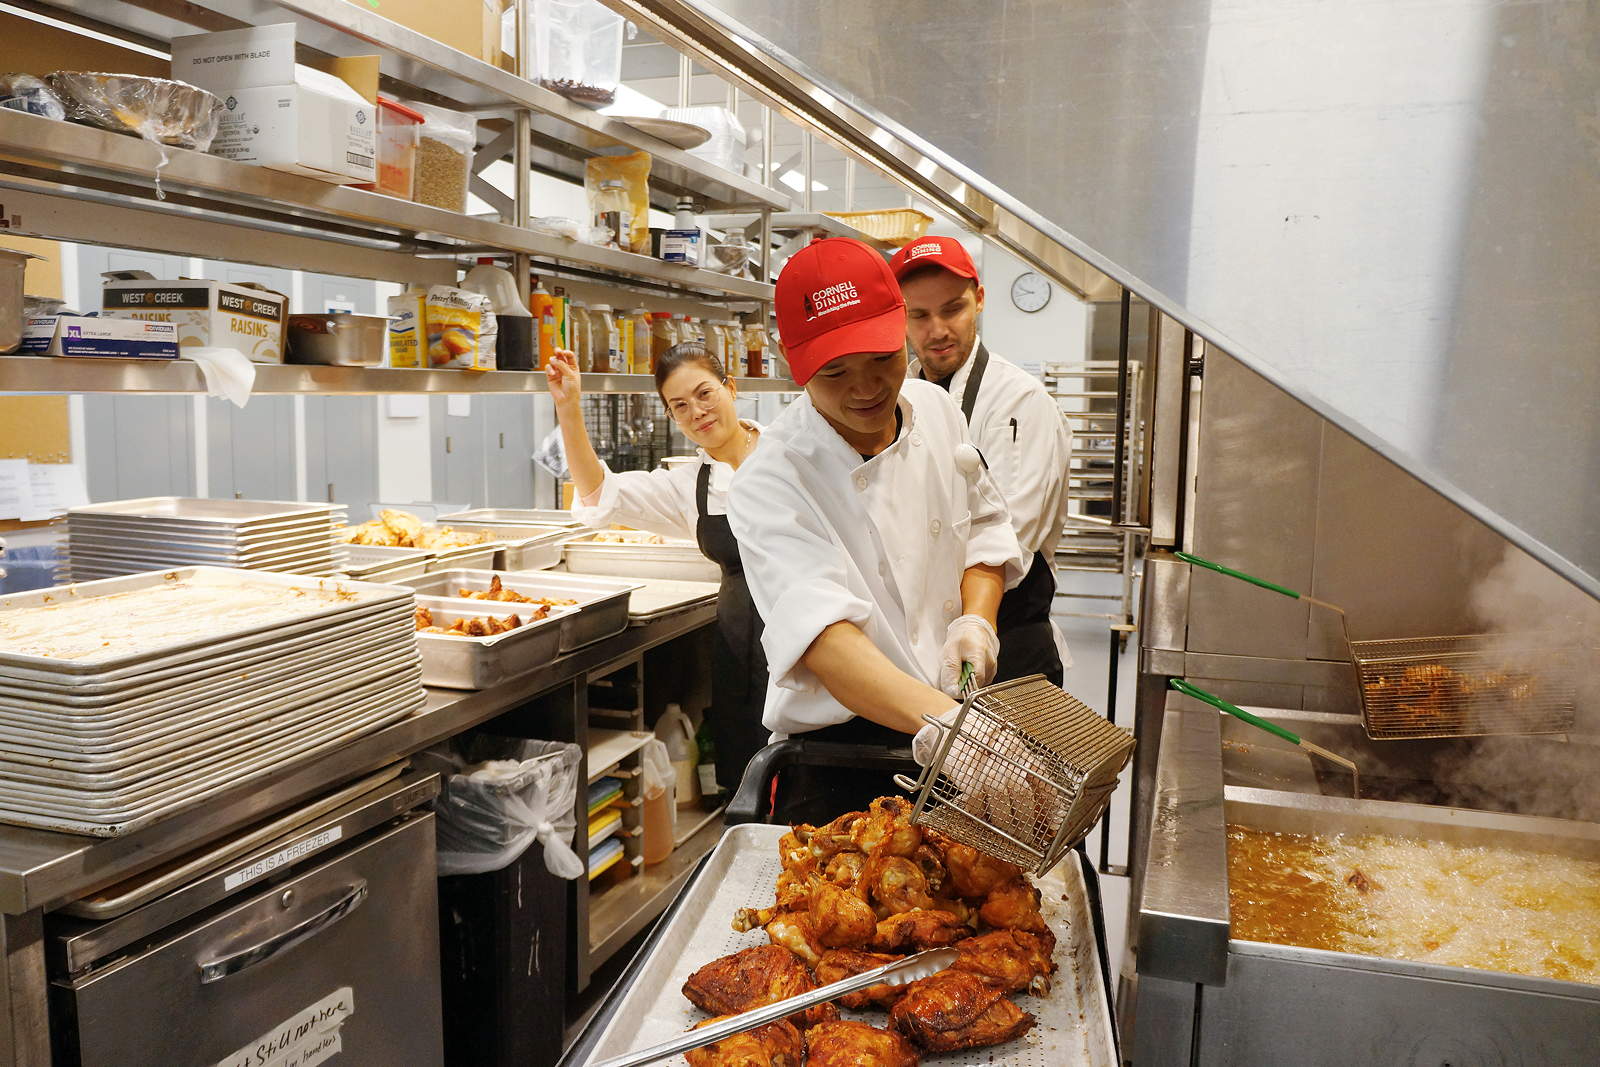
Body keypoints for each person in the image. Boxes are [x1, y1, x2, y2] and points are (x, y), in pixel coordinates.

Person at [727, 236, 1031, 819]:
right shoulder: (772, 478)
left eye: (883, 359)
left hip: (952, 723)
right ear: (797, 368)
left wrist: (975, 622)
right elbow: (823, 639)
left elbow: (986, 530)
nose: (866, 389)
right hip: (839, 758)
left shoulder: (936, 410)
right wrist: (950, 730)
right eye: (835, 371)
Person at [547, 343, 768, 794]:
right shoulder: (691, 485)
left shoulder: (790, 453)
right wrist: (569, 408)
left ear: (731, 387)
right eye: (680, 406)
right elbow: (598, 495)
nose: (697, 413)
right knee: (752, 788)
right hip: (742, 656)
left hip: (814, 647)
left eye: (705, 394)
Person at [890, 236, 1073, 686]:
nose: (937, 331)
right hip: (922, 645)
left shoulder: (1020, 402)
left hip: (1008, 639)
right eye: (919, 315)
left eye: (952, 309)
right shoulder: (895, 397)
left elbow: (1011, 539)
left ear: (980, 300)